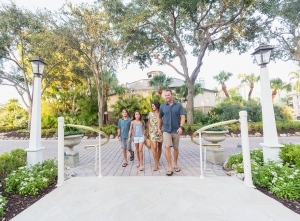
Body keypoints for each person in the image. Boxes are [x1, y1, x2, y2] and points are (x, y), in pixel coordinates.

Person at [158, 90, 185, 176]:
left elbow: (182, 117)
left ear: (172, 95)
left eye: (168, 95)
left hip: (176, 130)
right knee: (167, 148)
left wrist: (181, 127)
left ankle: (175, 164)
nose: (167, 97)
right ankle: (169, 167)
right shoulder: (162, 107)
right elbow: (159, 118)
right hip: (166, 130)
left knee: (176, 148)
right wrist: (159, 128)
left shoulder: (178, 105)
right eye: (165, 95)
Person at [148, 101, 163, 171]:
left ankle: (158, 160)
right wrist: (148, 131)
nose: (152, 107)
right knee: (154, 147)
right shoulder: (150, 114)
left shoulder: (161, 114)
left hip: (160, 132)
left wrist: (161, 130)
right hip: (152, 132)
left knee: (159, 147)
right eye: (152, 106)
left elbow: (163, 122)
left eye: (153, 105)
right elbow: (149, 123)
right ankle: (156, 163)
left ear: (157, 106)